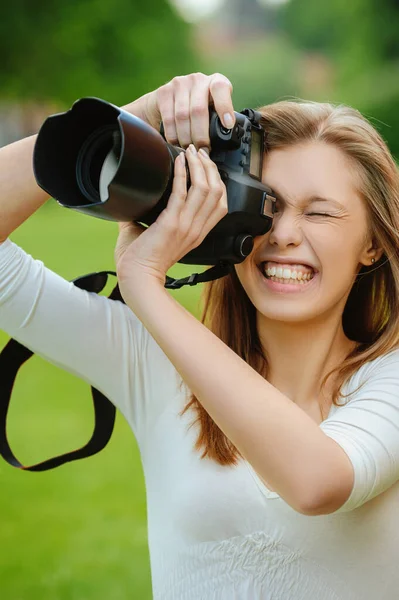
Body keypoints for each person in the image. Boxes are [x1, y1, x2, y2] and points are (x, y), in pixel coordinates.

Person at [1, 71, 399, 600]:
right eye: (267, 204)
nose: (282, 234)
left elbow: (317, 482)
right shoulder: (155, 361)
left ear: (372, 244)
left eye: (320, 212)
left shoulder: (388, 376)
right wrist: (134, 117)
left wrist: (145, 288)